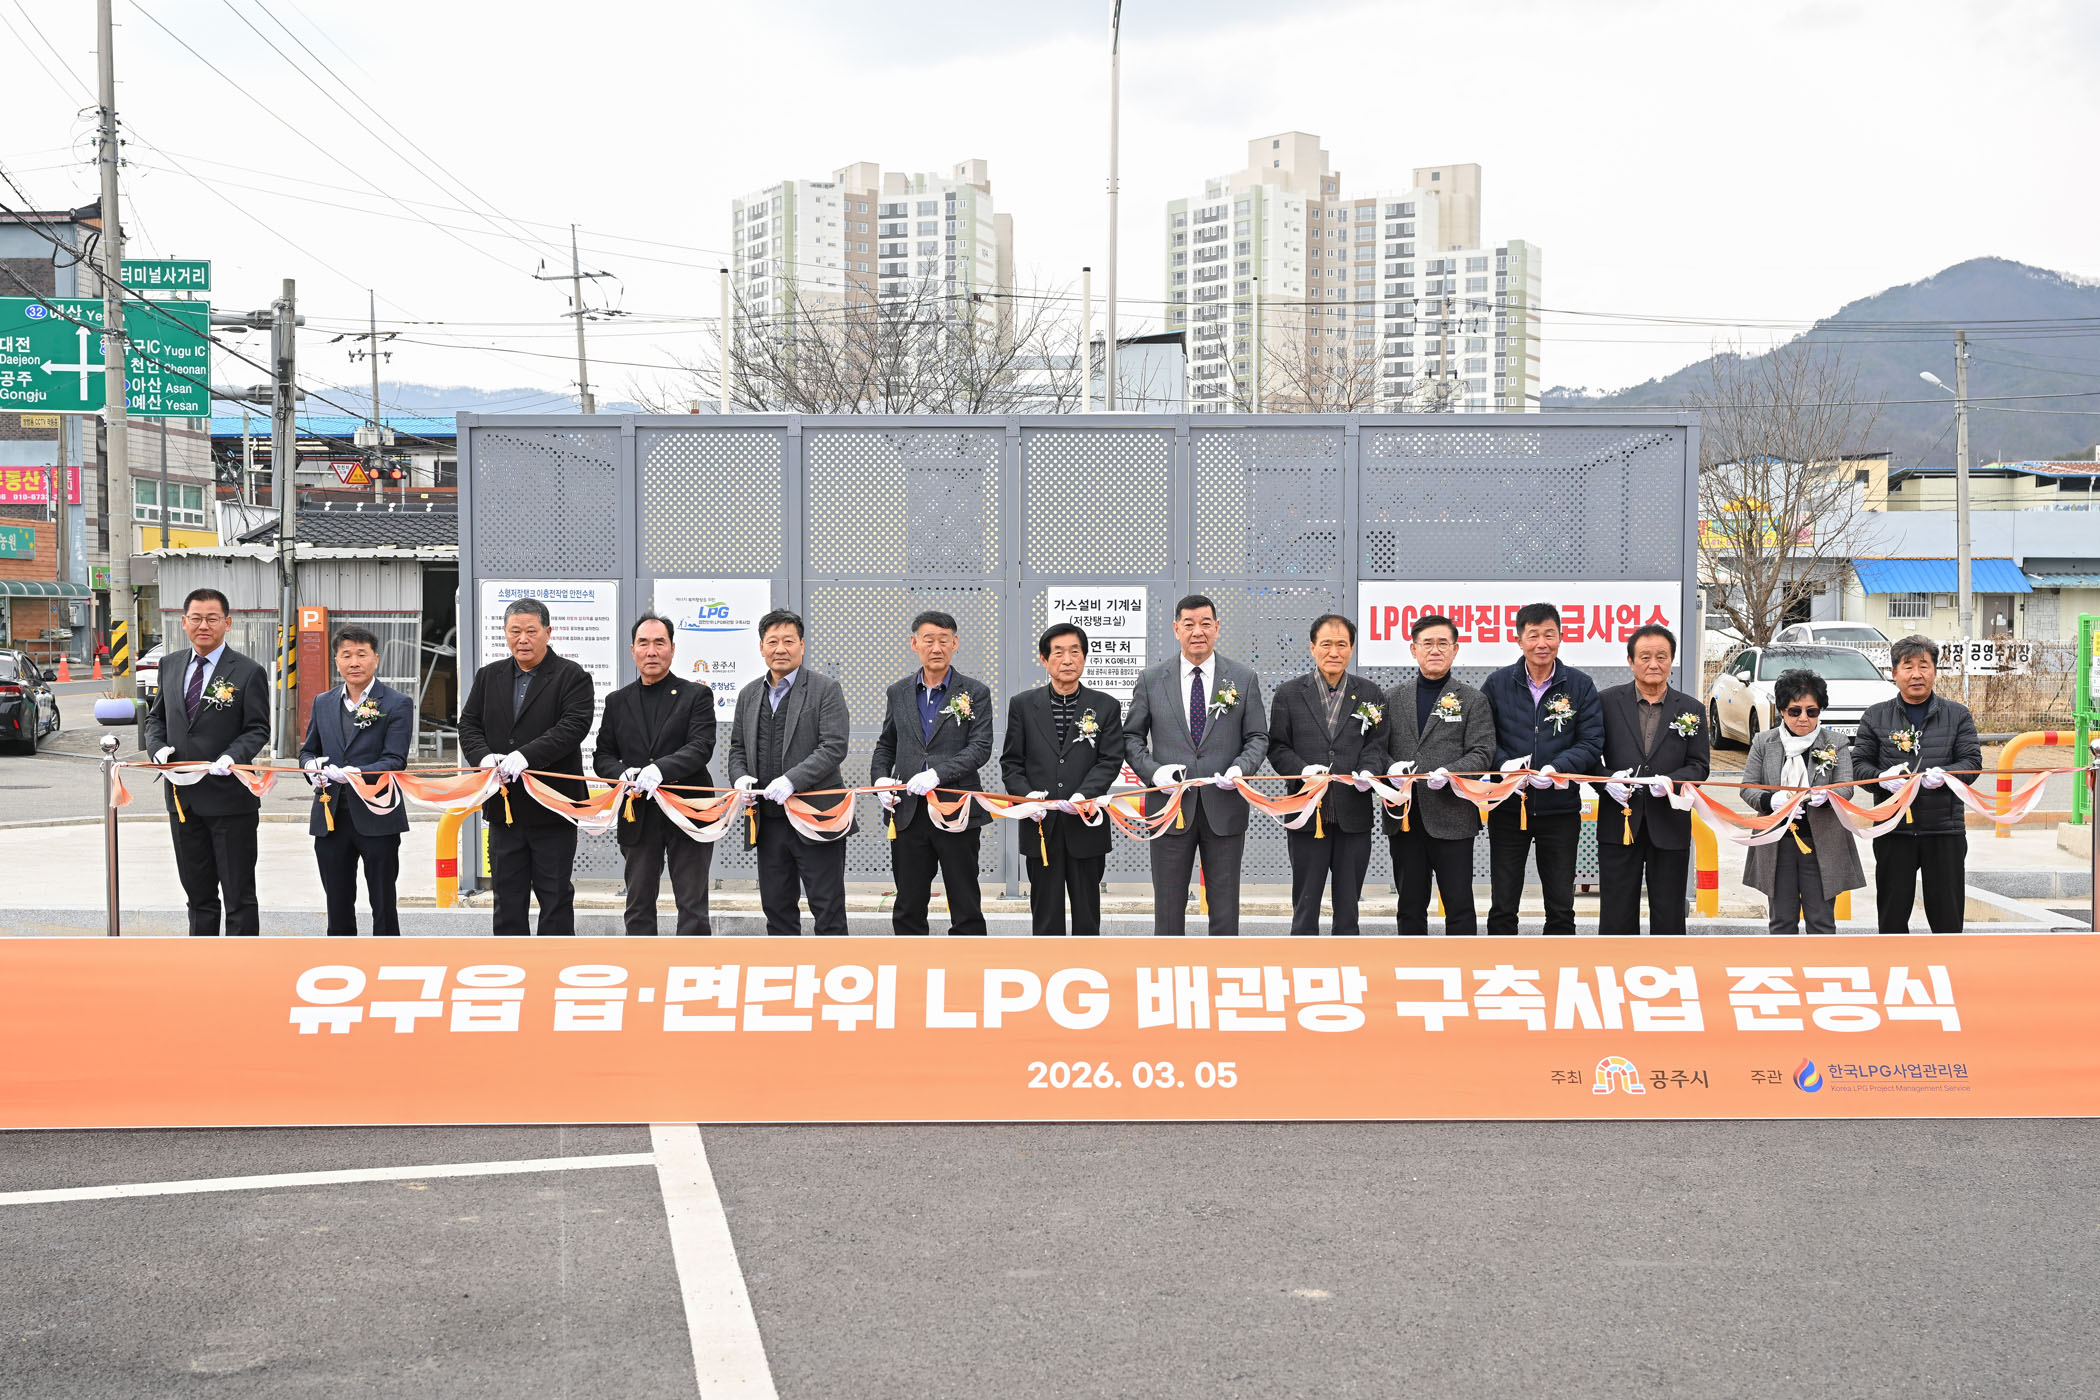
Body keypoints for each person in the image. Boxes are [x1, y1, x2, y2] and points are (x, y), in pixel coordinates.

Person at [1123, 594, 1269, 936]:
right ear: (1176, 629)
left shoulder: (1243, 678)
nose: (1197, 631)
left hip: (1225, 806)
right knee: (1168, 906)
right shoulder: (1151, 679)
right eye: (1189, 624)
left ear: (1217, 627)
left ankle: (1222, 966)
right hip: (1170, 808)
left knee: (1225, 905)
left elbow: (1258, 736)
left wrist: (1240, 769)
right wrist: (1155, 772)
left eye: (1205, 623)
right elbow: (1130, 738)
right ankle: (1169, 966)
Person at [458, 597, 596, 936]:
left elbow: (573, 726)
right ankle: (510, 961)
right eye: (515, 631)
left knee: (555, 896)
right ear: (505, 634)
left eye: (531, 631)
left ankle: (556, 961)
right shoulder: (489, 676)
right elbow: (469, 724)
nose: (523, 639)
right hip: (504, 809)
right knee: (506, 897)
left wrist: (527, 756)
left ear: (548, 632)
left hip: (554, 807)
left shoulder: (571, 676)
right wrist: (483, 757)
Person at [140, 588, 271, 936]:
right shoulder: (170, 665)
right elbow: (156, 718)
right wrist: (157, 748)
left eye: (212, 618)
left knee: (238, 895)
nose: (204, 626)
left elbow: (258, 728)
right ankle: (202, 957)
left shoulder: (248, 671)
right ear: (184, 622)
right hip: (183, 800)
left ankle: (241, 961)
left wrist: (232, 756)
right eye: (196, 618)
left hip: (230, 800)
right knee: (197, 895)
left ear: (227, 623)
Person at [725, 608, 853, 936]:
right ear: (761, 647)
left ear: (802, 645)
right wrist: (740, 778)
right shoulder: (749, 694)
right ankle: (785, 967)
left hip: (816, 817)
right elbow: (737, 748)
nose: (780, 649)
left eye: (788, 641)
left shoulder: (825, 689)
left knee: (827, 907)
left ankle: (835, 968)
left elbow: (834, 746)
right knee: (777, 907)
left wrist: (792, 780)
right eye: (772, 642)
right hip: (768, 822)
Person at [1479, 602, 1604, 936]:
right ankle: (1502, 963)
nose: (1542, 643)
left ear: (1561, 638)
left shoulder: (1579, 685)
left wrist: (1558, 767)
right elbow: (1482, 738)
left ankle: (1559, 964)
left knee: (1561, 904)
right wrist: (1503, 765)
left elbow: (1592, 741)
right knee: (1503, 902)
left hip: (1560, 809)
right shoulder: (1497, 684)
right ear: (1519, 640)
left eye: (1549, 634)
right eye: (1533, 635)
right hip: (1508, 808)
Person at [592, 613, 719, 936]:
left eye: (659, 643)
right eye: (643, 643)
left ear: (672, 649)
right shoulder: (617, 701)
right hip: (638, 813)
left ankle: (693, 965)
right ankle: (641, 964)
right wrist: (621, 774)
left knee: (692, 905)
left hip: (687, 811)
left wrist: (659, 769)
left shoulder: (696, 695)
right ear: (632, 650)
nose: (651, 651)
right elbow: (603, 756)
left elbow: (700, 747)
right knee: (638, 903)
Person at [871, 611, 996, 936]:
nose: (936, 647)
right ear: (914, 644)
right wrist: (880, 780)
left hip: (956, 809)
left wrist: (938, 774)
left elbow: (980, 747)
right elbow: (886, 744)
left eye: (944, 640)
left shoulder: (975, 692)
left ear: (955, 643)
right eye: (929, 640)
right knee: (908, 903)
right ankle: (911, 963)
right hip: (908, 814)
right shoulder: (898, 692)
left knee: (965, 901)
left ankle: (968, 961)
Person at [1267, 614, 1390, 936]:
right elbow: (1277, 746)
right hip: (1307, 813)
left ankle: (1346, 958)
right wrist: (1302, 770)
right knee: (1305, 901)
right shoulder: (1289, 693)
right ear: (1312, 648)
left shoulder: (1370, 692)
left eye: (1341, 644)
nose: (1333, 652)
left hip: (1354, 812)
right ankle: (1303, 957)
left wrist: (1369, 771)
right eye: (1326, 644)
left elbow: (1377, 744)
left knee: (1349, 904)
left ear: (1351, 649)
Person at [1850, 634, 1982, 932]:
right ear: (1894, 673)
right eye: (1908, 666)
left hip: (1944, 830)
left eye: (1924, 665)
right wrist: (1881, 779)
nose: (1916, 674)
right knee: (1892, 917)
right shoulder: (1875, 716)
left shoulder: (1957, 715)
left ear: (1934, 671)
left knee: (1947, 918)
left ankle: (1946, 961)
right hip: (1893, 830)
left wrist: (1946, 775)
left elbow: (1972, 763)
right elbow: (1859, 766)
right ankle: (1895, 961)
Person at [1000, 623, 1125, 936]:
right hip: (1041, 828)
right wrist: (1028, 798)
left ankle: (1087, 964)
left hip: (1086, 824)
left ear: (1084, 657)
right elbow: (1011, 763)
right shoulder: (1023, 705)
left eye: (1075, 652)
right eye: (1058, 653)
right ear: (1044, 660)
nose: (1067, 660)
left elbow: (1110, 760)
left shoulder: (1105, 706)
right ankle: (1046, 965)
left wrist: (1084, 795)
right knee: (1045, 916)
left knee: (1087, 915)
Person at [1384, 613, 1497, 936]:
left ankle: (1461, 964)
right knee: (1409, 905)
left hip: (1453, 816)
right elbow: (1376, 749)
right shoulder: (1391, 698)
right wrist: (1390, 768)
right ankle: (1412, 963)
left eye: (1443, 644)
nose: (1435, 650)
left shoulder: (1472, 700)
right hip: (1405, 816)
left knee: (1459, 904)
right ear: (1413, 649)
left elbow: (1483, 751)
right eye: (1427, 643)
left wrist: (1451, 772)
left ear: (1455, 649)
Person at [1596, 623, 1711, 936]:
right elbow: (1588, 757)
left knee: (1670, 913)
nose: (1653, 664)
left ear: (1671, 661)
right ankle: (1617, 965)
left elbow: (1699, 766)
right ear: (1630, 661)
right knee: (1616, 913)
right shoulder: (1606, 703)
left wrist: (1671, 782)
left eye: (1662, 656)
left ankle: (1669, 965)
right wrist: (1607, 781)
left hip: (1670, 824)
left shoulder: (1691, 709)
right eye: (1645, 656)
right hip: (1619, 823)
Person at [298, 625, 413, 936]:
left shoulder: (396, 703)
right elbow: (308, 750)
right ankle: (341, 955)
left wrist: (356, 773)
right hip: (330, 814)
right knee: (337, 901)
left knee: (383, 902)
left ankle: (386, 956)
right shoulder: (323, 702)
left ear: (375, 659)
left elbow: (395, 759)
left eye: (362, 655)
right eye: (346, 655)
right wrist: (312, 767)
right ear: (336, 662)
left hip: (377, 813)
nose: (354, 662)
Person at [1742, 668, 1864, 934]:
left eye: (1812, 711)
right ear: (1782, 711)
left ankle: (1819, 962)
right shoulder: (1764, 742)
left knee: (1821, 921)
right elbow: (1747, 787)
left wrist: (1828, 796)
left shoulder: (1836, 742)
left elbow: (1847, 787)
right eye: (1795, 711)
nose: (1803, 718)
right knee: (1781, 921)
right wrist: (1770, 800)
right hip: (1777, 842)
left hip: (1822, 842)